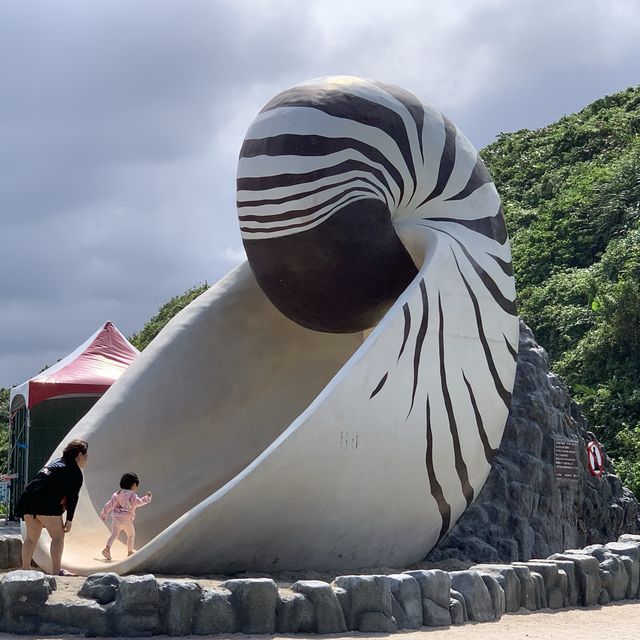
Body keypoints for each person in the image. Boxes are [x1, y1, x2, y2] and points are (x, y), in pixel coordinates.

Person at [16, 439, 88, 576]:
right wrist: (69, 519)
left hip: (27, 499)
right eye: (86, 456)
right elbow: (73, 497)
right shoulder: (75, 471)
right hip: (45, 502)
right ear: (79, 455)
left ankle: (25, 570)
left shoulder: (54, 463)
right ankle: (56, 571)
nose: (86, 459)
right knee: (58, 537)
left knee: (31, 539)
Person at [100, 472, 152, 560]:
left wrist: (104, 513)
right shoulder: (132, 494)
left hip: (116, 519)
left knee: (114, 534)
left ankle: (107, 549)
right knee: (131, 535)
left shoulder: (117, 494)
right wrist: (147, 498)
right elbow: (138, 502)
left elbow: (109, 504)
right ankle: (130, 552)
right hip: (126, 520)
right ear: (134, 485)